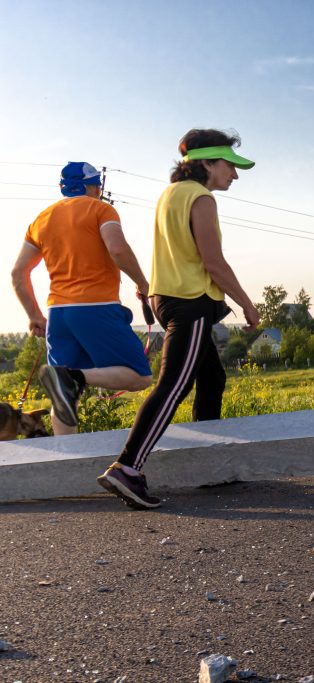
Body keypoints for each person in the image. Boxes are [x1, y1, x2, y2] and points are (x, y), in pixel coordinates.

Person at [97, 129, 261, 510]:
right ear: (206, 163)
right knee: (174, 385)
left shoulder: (169, 194)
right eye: (229, 166)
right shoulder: (201, 198)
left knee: (212, 377)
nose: (234, 175)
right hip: (191, 301)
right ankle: (128, 467)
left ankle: (205, 465)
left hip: (165, 297)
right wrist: (247, 304)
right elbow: (212, 261)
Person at [11, 162, 153, 435]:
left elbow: (19, 272)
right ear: (91, 186)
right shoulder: (101, 209)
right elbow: (118, 249)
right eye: (97, 184)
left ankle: (66, 458)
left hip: (58, 314)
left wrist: (34, 316)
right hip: (95, 306)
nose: (99, 189)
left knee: (65, 398)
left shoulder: (41, 219)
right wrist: (144, 284)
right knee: (139, 375)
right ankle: (73, 377)